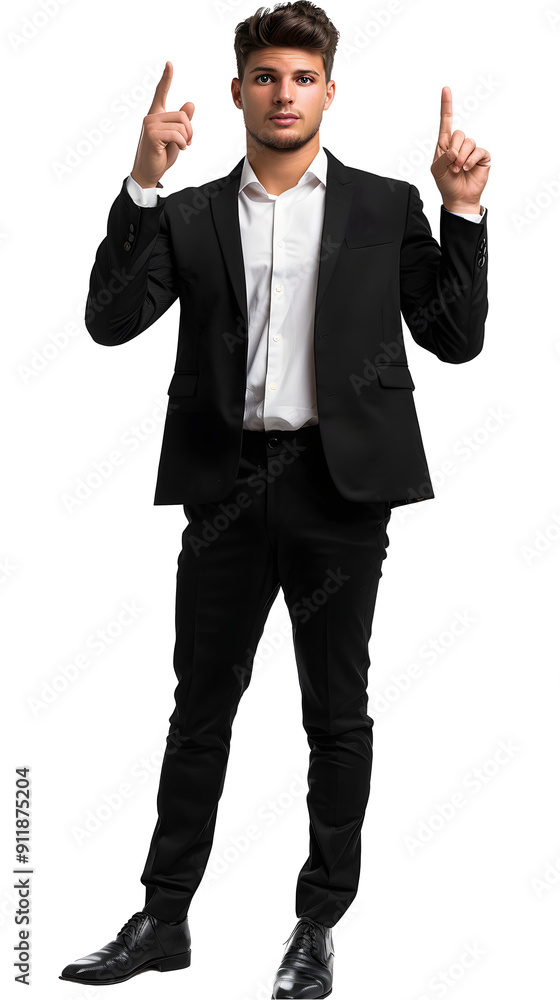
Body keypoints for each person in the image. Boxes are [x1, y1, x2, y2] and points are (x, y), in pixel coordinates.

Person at [59, 2, 490, 996]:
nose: (283, 94)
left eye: (301, 78)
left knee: (335, 713)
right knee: (199, 709)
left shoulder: (384, 207)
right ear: (238, 92)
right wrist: (142, 183)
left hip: (340, 493)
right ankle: (163, 918)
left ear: (328, 91)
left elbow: (454, 336)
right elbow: (109, 320)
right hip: (224, 487)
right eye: (266, 78)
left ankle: (316, 926)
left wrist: (461, 211)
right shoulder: (193, 213)